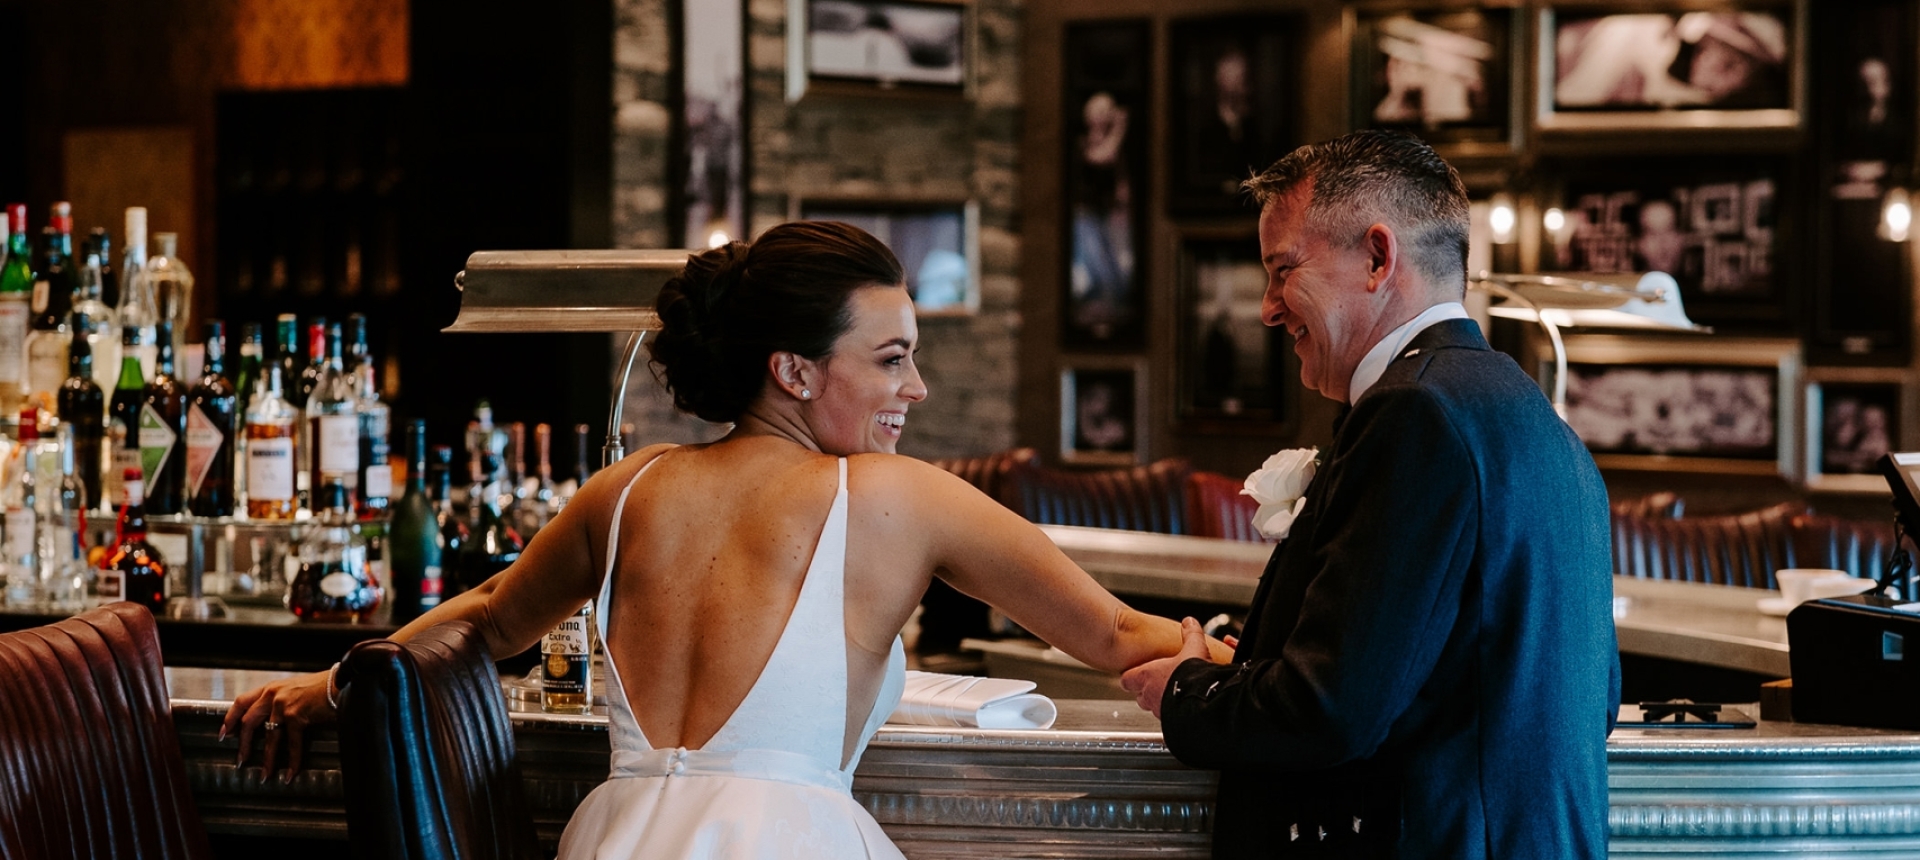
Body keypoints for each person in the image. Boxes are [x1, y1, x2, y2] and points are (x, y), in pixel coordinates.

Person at [220, 220, 1227, 858]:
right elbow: (1113, 633)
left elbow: (487, 619)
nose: (915, 390)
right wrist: (1272, 671)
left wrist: (328, 681)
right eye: (891, 359)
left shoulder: (626, 488)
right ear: (791, 369)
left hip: (613, 838)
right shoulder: (899, 497)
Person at [1120, 131, 1618, 859]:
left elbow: (1330, 712)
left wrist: (1188, 692)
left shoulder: (1414, 414)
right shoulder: (1537, 421)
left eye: (1282, 269)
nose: (1267, 308)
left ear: (1379, 258)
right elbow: (1589, 699)